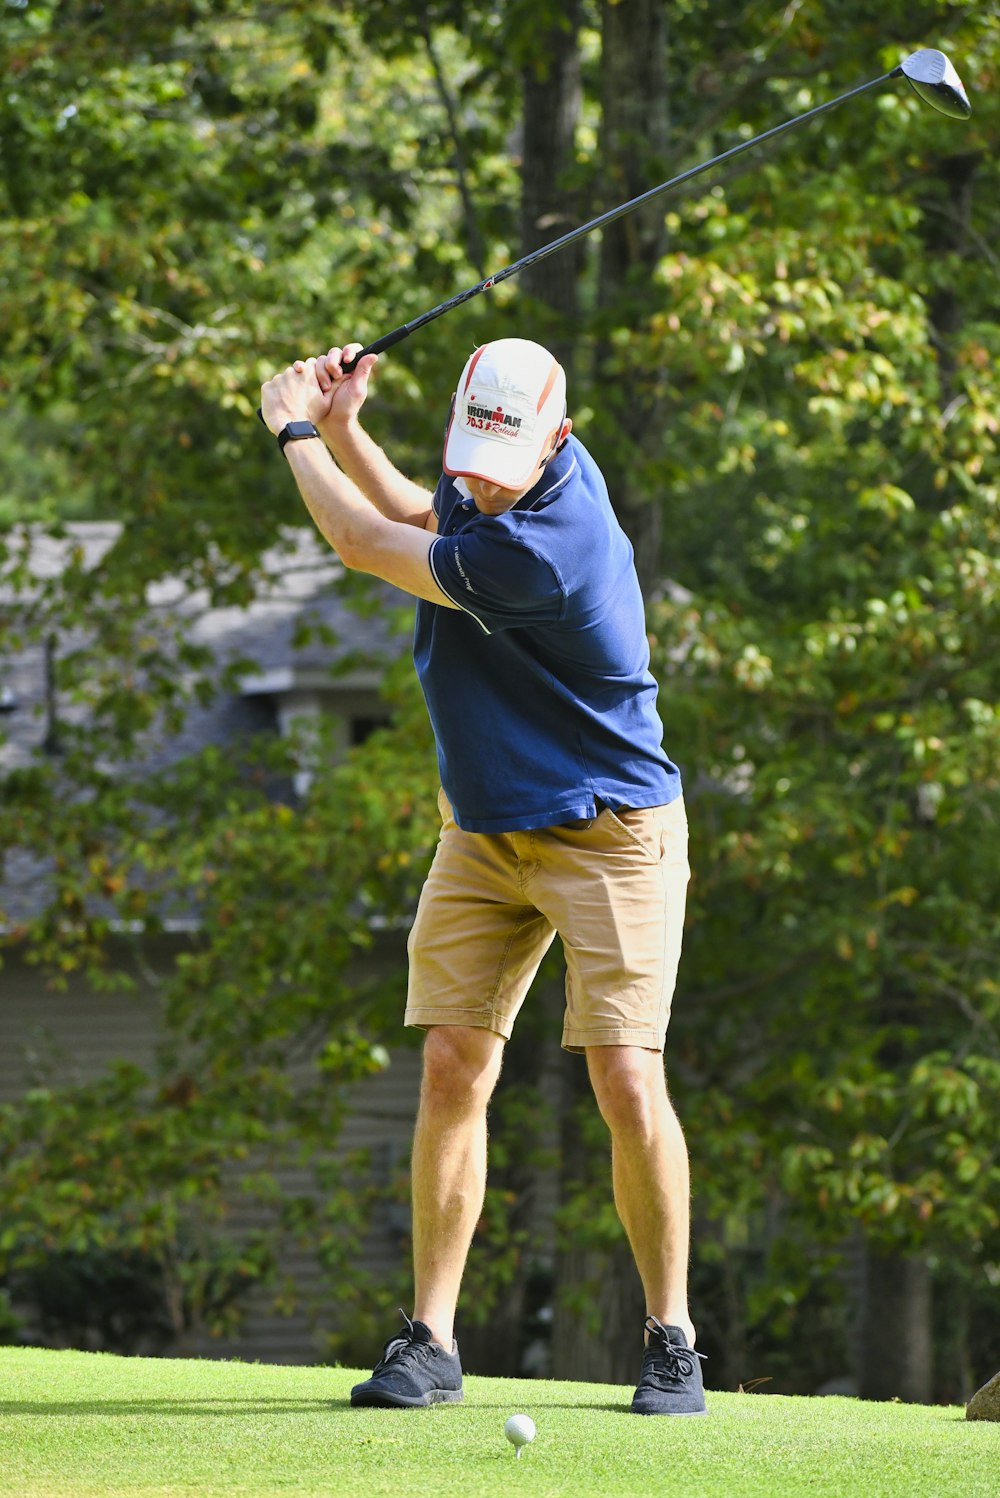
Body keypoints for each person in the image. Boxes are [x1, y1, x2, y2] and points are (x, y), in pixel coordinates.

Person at [259, 336, 706, 1416]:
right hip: (483, 826)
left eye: (494, 468)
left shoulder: (549, 549)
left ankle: (672, 1335)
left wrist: (292, 428)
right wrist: (351, 427)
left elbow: (367, 544)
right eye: (468, 455)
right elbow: (424, 513)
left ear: (557, 441)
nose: (474, 482)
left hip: (608, 829)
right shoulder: (491, 473)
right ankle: (432, 1339)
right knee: (453, 1062)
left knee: (623, 1076)